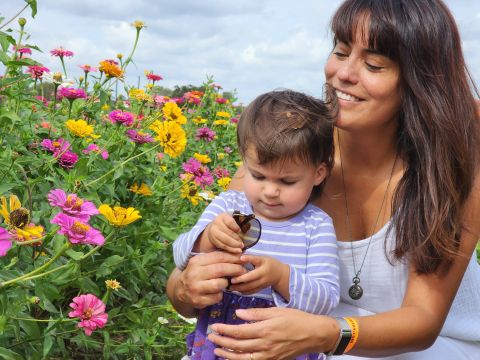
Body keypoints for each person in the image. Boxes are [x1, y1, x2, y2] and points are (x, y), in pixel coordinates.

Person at [167, 0, 480, 359]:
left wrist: (326, 334)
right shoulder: (288, 162)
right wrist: (186, 288)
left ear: (419, 80)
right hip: (308, 342)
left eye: (373, 64)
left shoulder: (452, 163)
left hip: (430, 348)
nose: (343, 74)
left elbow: (423, 322)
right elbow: (183, 280)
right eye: (341, 52)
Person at [172, 90, 340, 360]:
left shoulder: (314, 226)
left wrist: (280, 277)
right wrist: (206, 239)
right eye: (258, 175)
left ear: (318, 174)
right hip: (219, 336)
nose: (270, 191)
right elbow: (180, 257)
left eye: (287, 182)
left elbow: (326, 300)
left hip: (284, 344)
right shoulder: (232, 207)